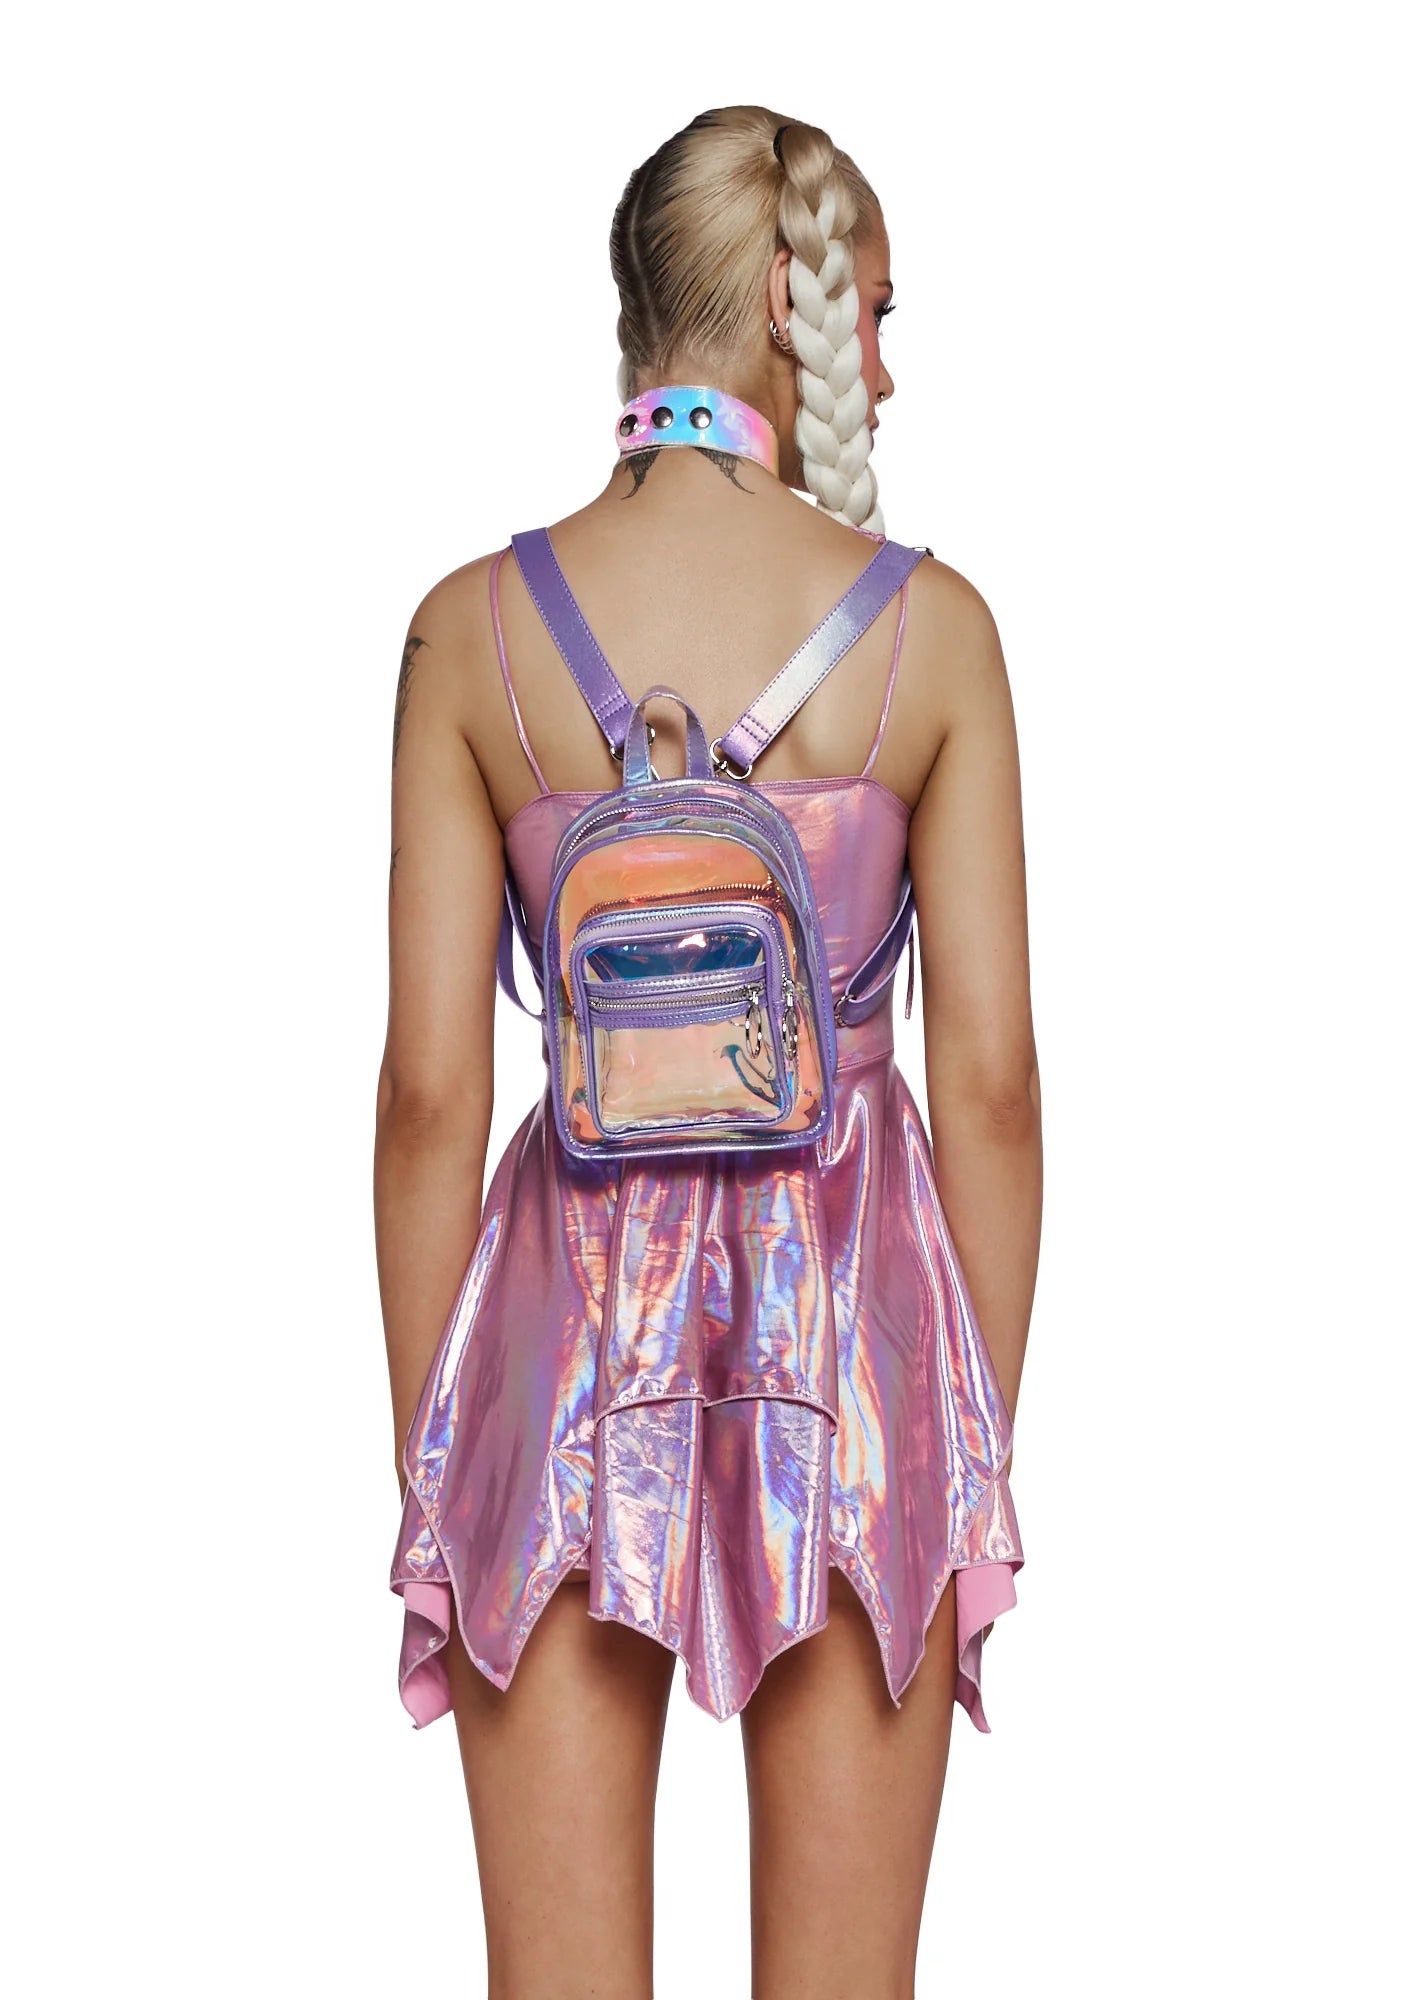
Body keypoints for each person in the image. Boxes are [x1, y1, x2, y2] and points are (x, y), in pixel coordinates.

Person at [375, 104, 1042, 2000]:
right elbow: (990, 1089)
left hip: (564, 1351)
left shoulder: (466, 634)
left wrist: (443, 1461)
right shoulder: (932, 633)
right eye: (872, 312)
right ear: (778, 301)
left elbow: (428, 1098)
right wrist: (961, 1435)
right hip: (850, 1349)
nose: (883, 369)